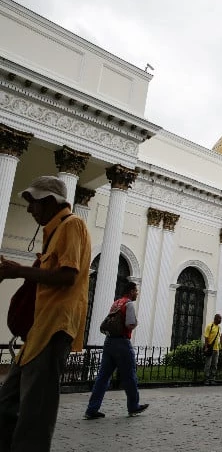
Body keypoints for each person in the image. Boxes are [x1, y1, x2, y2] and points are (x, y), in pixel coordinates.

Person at [0, 176, 91, 451]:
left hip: (54, 329)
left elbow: (67, 276)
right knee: (7, 403)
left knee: (35, 414)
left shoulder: (72, 225)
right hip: (39, 330)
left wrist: (19, 271)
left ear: (50, 201)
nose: (29, 208)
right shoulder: (53, 231)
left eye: (33, 202)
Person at [84, 281, 149, 419]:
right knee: (130, 376)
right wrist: (136, 323)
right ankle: (133, 406)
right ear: (131, 291)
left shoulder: (117, 303)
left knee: (103, 377)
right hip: (122, 342)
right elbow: (130, 324)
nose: (137, 293)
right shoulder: (128, 304)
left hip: (109, 342)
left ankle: (92, 409)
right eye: (136, 291)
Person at [203, 313, 222, 385]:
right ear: (216, 319)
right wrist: (206, 347)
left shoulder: (219, 327)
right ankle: (206, 379)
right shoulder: (210, 326)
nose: (220, 320)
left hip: (216, 349)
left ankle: (212, 379)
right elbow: (206, 337)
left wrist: (220, 347)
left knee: (214, 365)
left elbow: (218, 338)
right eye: (219, 319)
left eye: (221, 319)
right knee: (208, 364)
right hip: (210, 348)